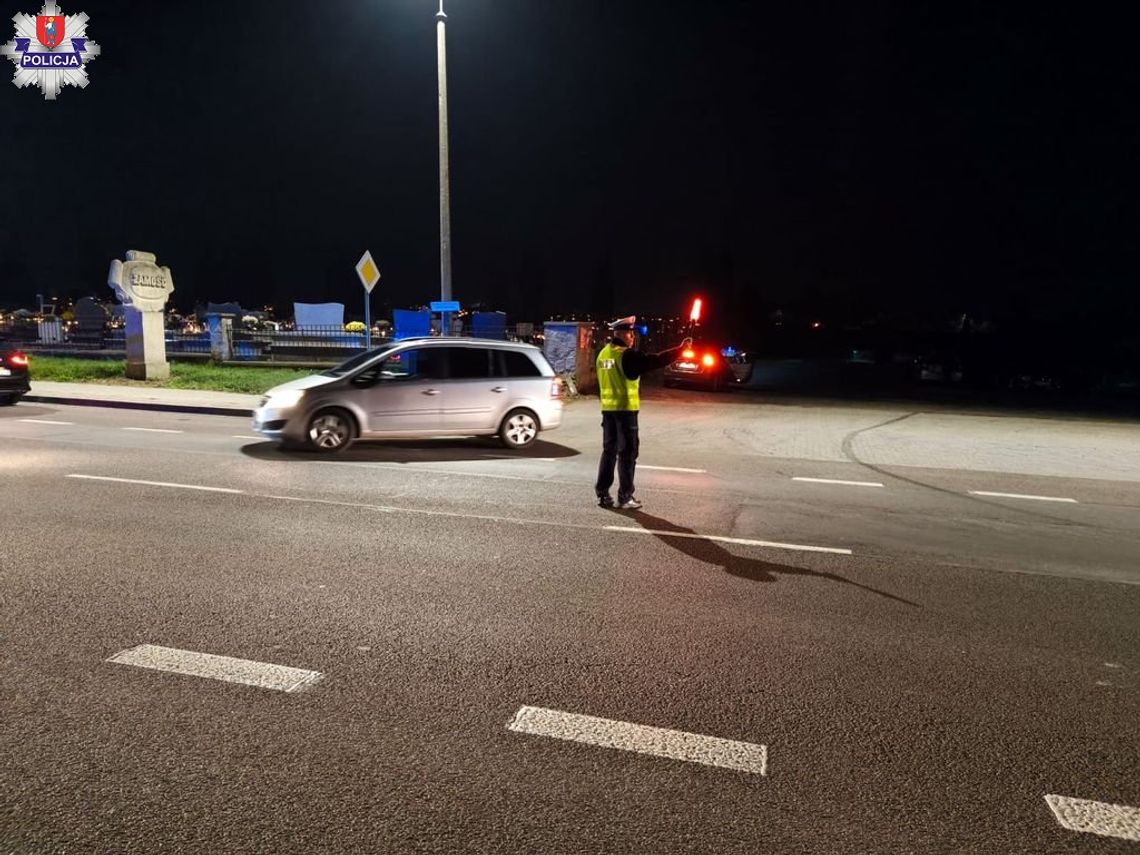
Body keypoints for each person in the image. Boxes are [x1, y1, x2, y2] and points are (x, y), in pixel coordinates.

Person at [594, 316, 691, 509]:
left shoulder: (603, 354)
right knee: (628, 454)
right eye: (630, 333)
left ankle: (603, 494)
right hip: (625, 411)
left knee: (609, 452)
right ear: (621, 334)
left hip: (608, 411)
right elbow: (654, 361)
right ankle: (625, 496)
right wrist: (680, 350)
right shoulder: (626, 355)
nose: (632, 337)